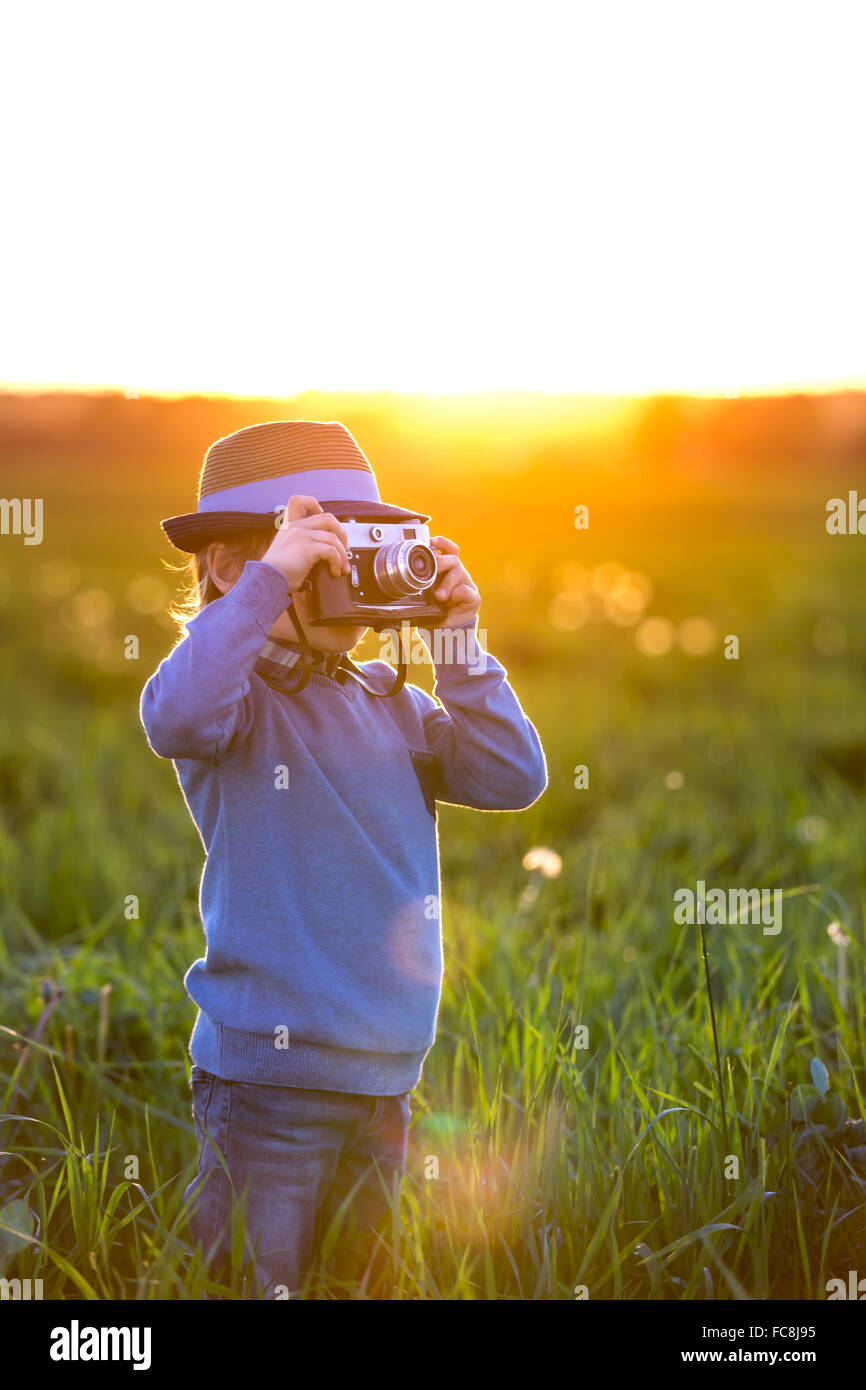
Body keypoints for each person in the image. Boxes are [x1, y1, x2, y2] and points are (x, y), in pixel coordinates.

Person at [140, 418, 547, 1297]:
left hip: (387, 1080)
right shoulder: (238, 709)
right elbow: (172, 711)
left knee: (356, 1286)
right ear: (230, 568)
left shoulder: (391, 703)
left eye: (364, 555)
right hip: (265, 1085)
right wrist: (269, 587)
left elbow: (513, 777)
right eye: (325, 556)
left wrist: (456, 645)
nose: (352, 585)